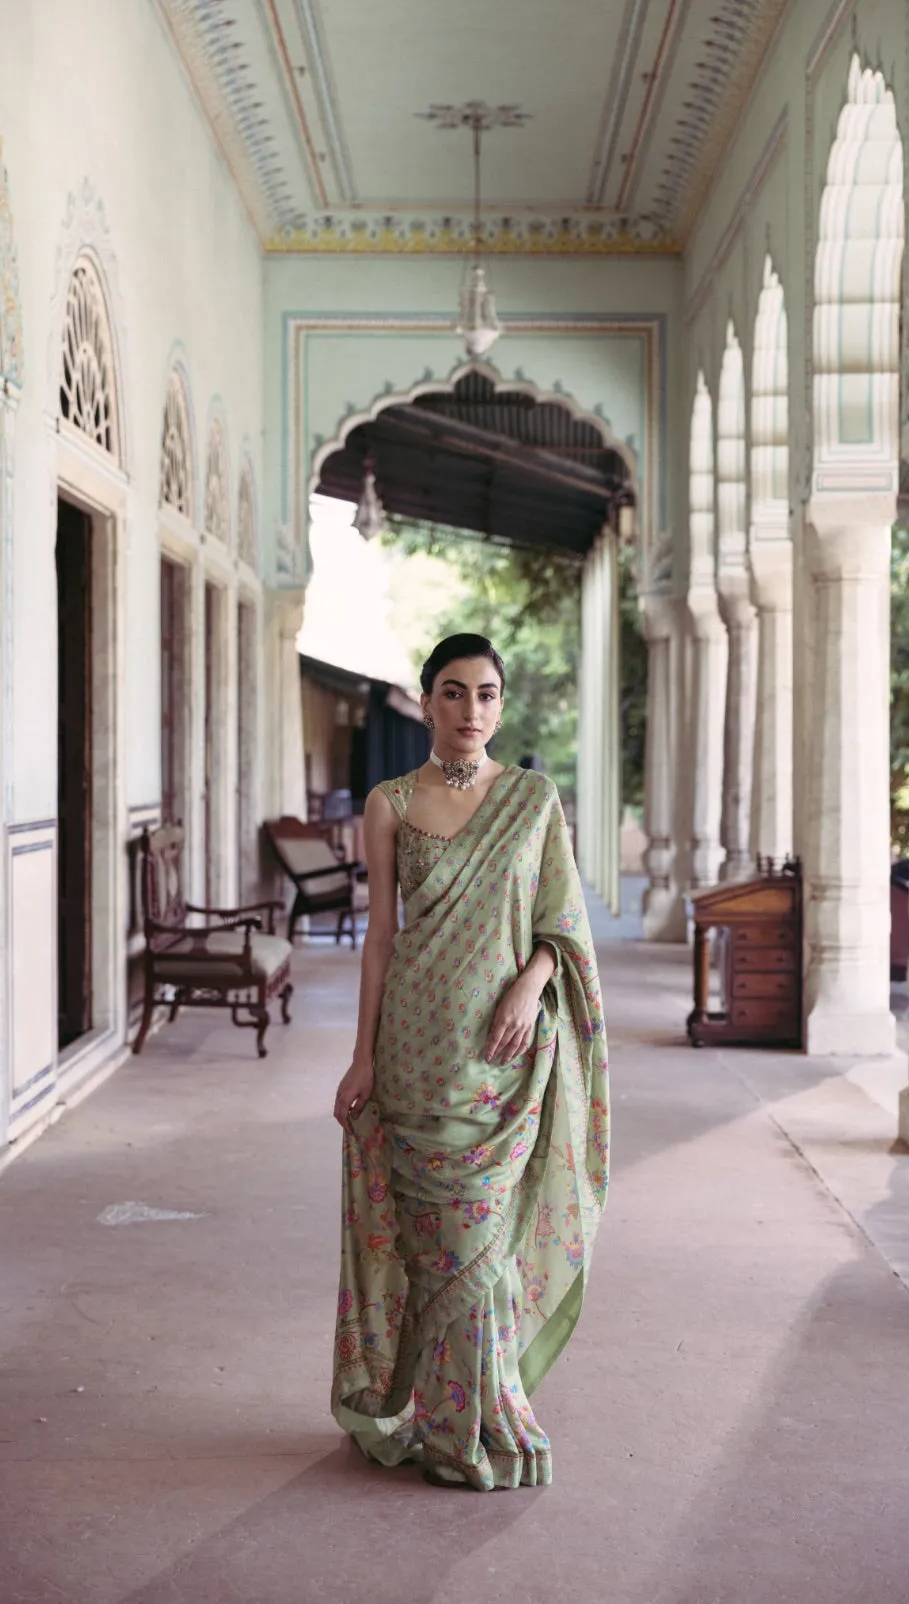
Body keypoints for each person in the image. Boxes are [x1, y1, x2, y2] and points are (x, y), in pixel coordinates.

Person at [330, 632, 609, 1491]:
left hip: (503, 1057)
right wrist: (360, 1056)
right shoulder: (389, 802)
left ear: (501, 705)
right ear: (426, 702)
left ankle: (480, 1416)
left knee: (479, 1244)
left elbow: (559, 919)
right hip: (415, 1050)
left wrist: (532, 984)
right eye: (454, 693)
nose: (471, 712)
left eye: (487, 694)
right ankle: (445, 1422)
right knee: (433, 1248)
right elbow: (382, 938)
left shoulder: (533, 800)